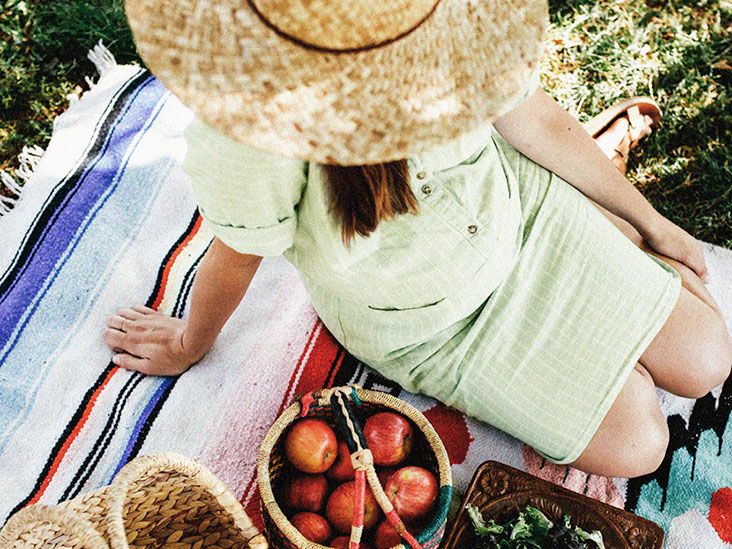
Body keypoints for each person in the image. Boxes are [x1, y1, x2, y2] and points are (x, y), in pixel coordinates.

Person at [108, 0, 732, 478]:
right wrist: (192, 340)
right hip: (435, 328)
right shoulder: (251, 125)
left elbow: (531, 117)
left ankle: (608, 217)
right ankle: (612, 239)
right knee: (640, 445)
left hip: (524, 220)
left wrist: (651, 221)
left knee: (709, 360)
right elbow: (236, 255)